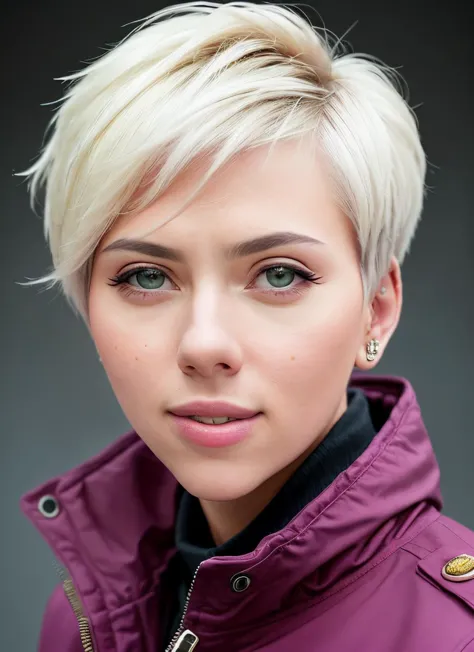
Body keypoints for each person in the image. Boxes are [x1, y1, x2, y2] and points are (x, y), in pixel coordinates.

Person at [19, 2, 474, 651]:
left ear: (376, 307)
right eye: (147, 277)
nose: (205, 343)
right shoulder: (83, 625)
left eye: (280, 274)